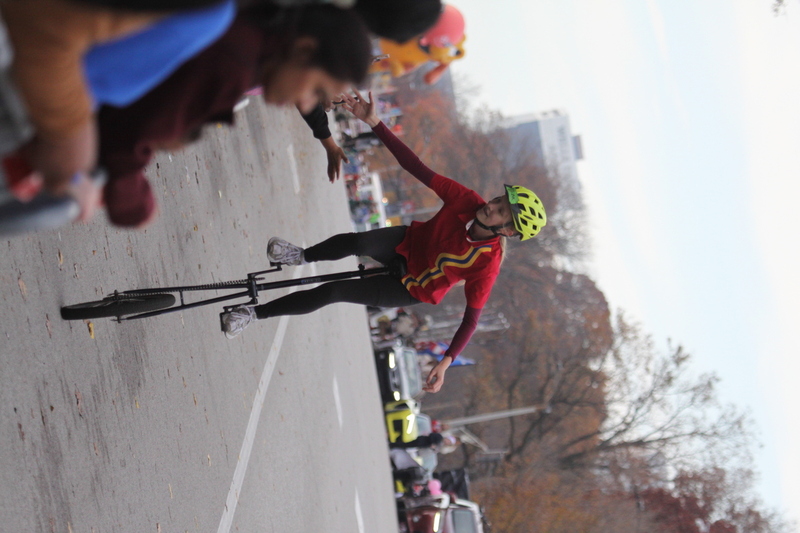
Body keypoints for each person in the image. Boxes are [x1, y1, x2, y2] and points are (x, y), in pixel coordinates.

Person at [221, 89, 547, 393]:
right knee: (359, 243)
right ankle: (301, 256)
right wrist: (374, 121)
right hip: (406, 242)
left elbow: (471, 319)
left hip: (410, 287)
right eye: (498, 200)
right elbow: (415, 166)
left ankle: (252, 314)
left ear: (508, 231)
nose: (491, 206)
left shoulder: (487, 266)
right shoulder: (467, 200)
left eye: (500, 212)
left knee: (334, 292)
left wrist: (446, 361)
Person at [96, 4, 372, 226]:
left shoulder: (251, 36)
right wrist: (137, 205)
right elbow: (123, 140)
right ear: (304, 50)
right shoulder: (234, 65)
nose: (307, 103)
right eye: (316, 90)